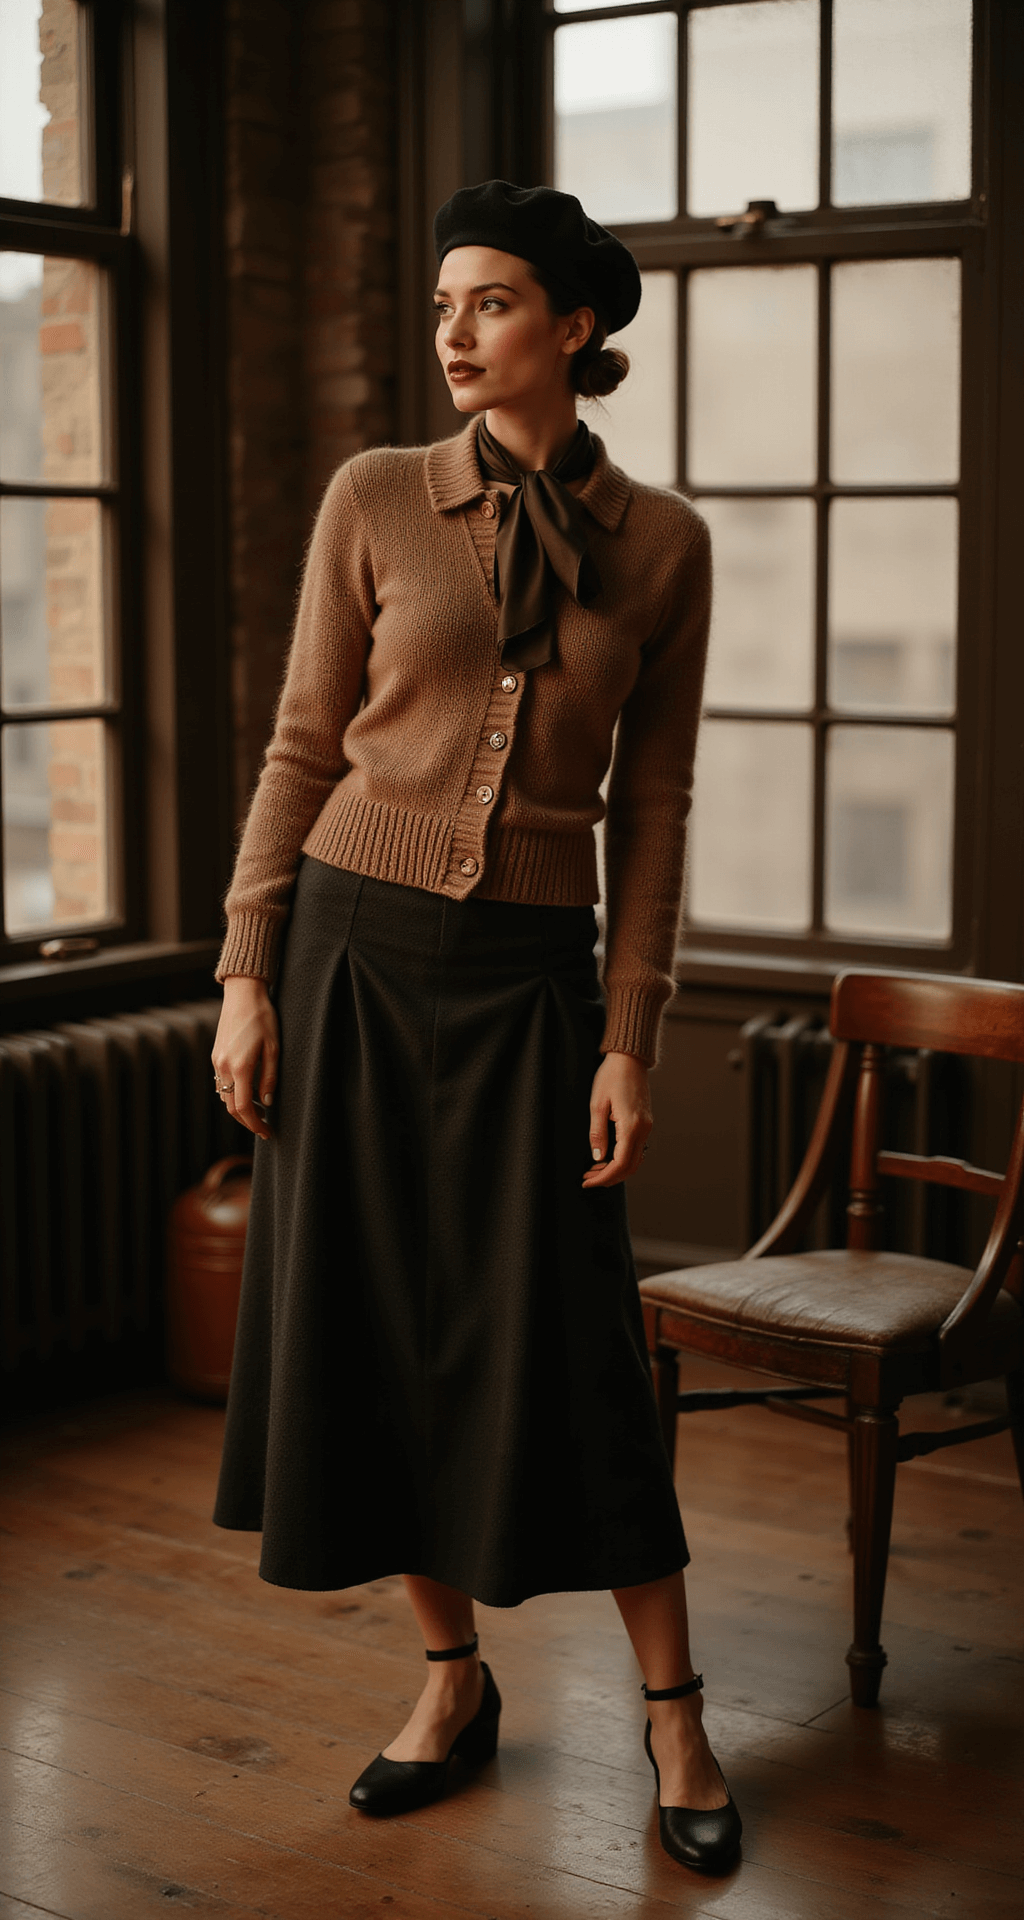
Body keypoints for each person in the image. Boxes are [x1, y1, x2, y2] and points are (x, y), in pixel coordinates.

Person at [210, 179, 741, 1876]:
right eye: (445, 301)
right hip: (352, 958)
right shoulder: (374, 498)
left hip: (531, 979)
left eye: (494, 301)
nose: (453, 331)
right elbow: (304, 748)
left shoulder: (663, 545)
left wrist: (629, 1032)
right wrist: (242, 966)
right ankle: (449, 1682)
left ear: (575, 328)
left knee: (576, 1349)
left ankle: (675, 1712)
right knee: (360, 1332)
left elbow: (654, 807)